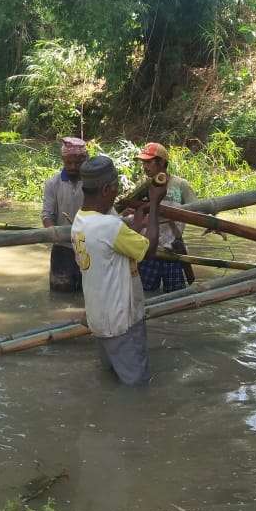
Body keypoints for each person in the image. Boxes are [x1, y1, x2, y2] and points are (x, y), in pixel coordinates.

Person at [71, 156, 164, 386]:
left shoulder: (80, 221)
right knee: (136, 387)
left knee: (112, 379)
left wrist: (136, 226)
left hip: (100, 320)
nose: (116, 194)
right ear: (105, 190)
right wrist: (155, 204)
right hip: (122, 323)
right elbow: (150, 248)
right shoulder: (109, 226)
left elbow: (112, 249)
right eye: (114, 189)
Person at [133, 142, 198, 293]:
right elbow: (135, 214)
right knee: (143, 294)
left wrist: (214, 226)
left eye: (148, 162)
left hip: (172, 251)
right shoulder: (144, 186)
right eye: (143, 162)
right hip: (149, 250)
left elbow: (198, 210)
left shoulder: (181, 185)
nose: (145, 166)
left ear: (161, 162)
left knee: (176, 296)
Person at [41, 137, 88, 292]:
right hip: (62, 247)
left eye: (77, 163)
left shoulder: (92, 183)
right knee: (59, 293)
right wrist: (54, 233)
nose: (73, 167)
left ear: (85, 160)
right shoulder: (53, 183)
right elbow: (47, 215)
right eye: (69, 163)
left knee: (87, 292)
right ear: (63, 160)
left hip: (89, 246)